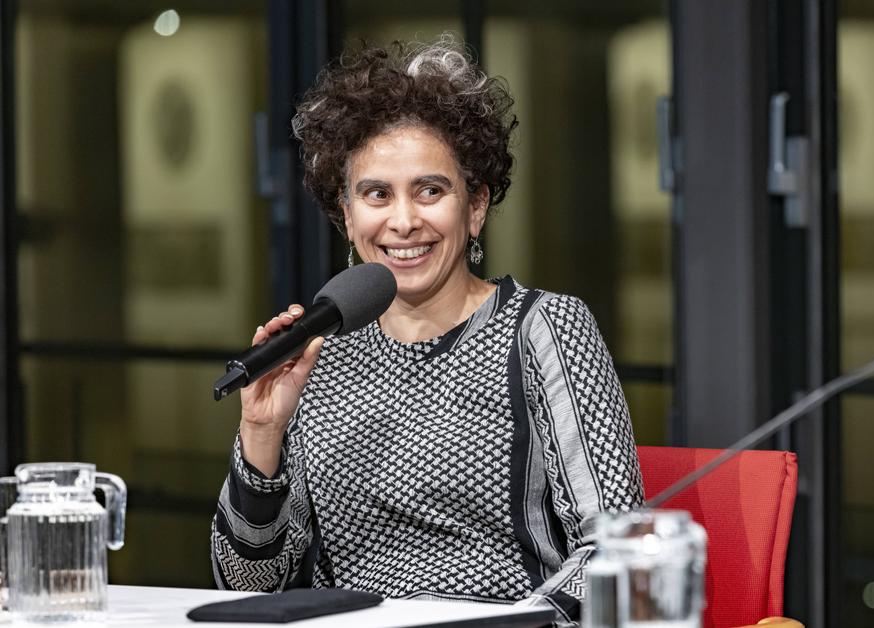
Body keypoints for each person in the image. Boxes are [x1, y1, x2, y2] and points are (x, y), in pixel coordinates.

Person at [211, 36, 643, 626]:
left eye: (430, 190)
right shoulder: (317, 353)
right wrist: (261, 433)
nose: (404, 220)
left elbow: (616, 547)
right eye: (377, 194)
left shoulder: (544, 329)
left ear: (476, 207)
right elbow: (249, 585)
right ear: (347, 216)